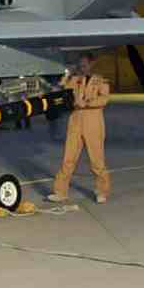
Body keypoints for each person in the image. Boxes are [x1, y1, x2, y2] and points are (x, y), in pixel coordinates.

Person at [47, 52, 111, 204]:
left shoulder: (101, 80)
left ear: (91, 64)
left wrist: (88, 103)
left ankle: (102, 191)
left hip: (93, 122)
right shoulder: (75, 80)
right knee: (68, 159)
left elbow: (104, 99)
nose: (82, 66)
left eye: (84, 63)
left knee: (97, 160)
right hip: (75, 121)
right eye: (80, 64)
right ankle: (60, 192)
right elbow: (60, 88)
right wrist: (67, 74)